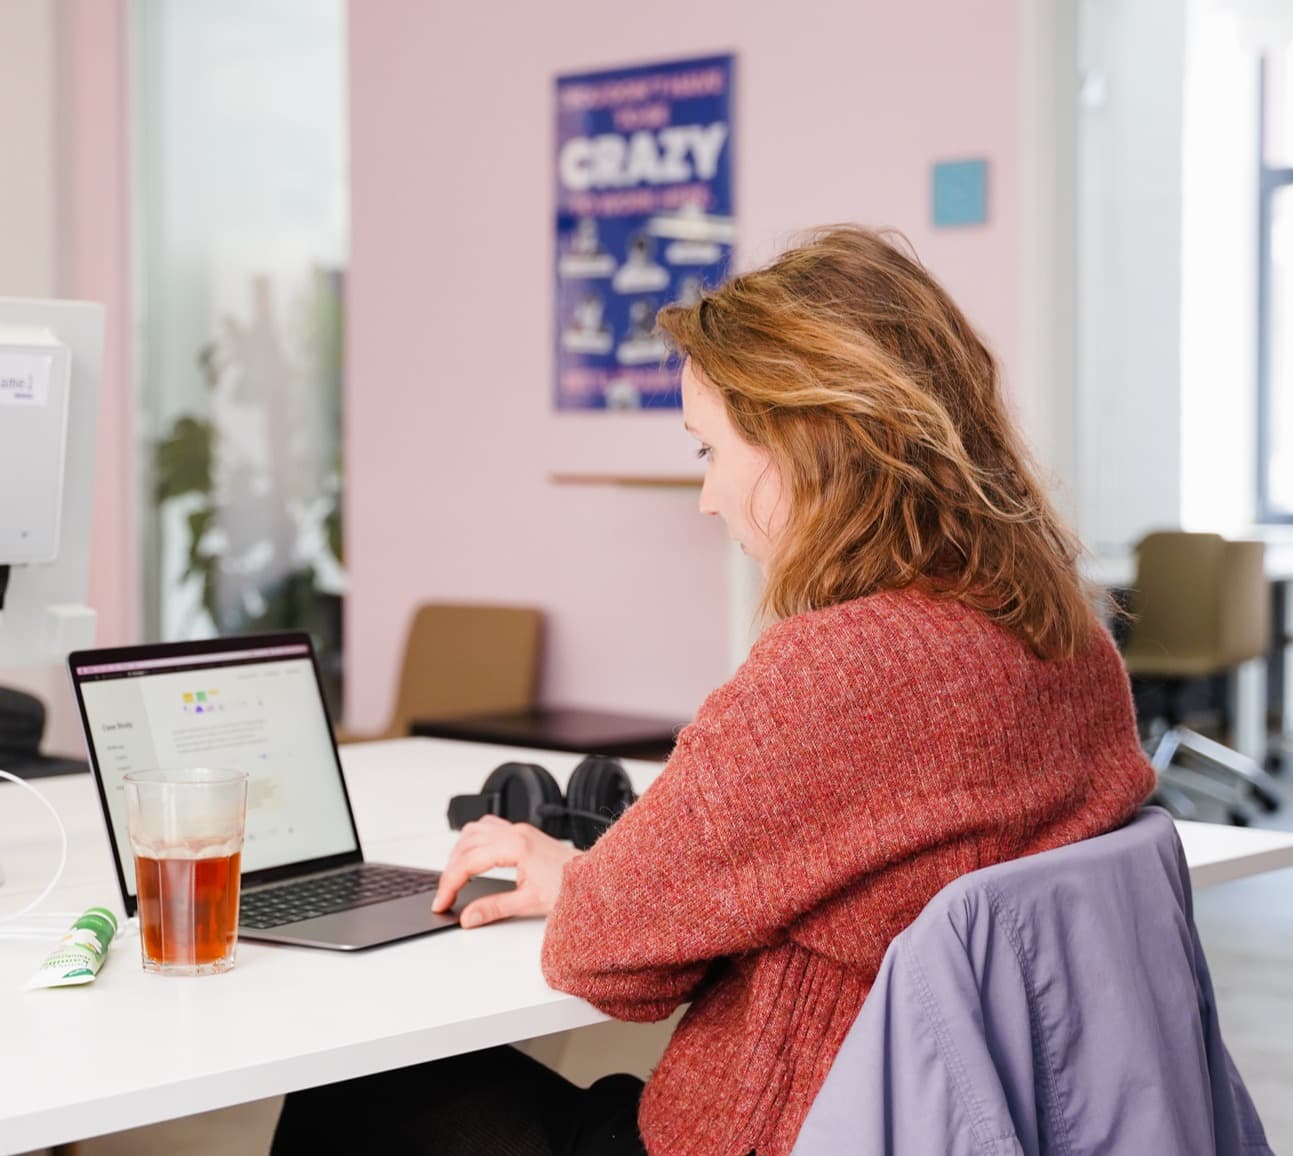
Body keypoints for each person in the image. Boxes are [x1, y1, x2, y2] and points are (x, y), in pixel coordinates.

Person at [270, 225, 1156, 1156]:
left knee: (351, 1098)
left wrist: (584, 882)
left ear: (805, 446)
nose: (707, 499)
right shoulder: (1071, 643)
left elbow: (607, 960)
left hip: (798, 1131)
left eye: (708, 452)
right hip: (972, 1124)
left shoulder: (837, 669)